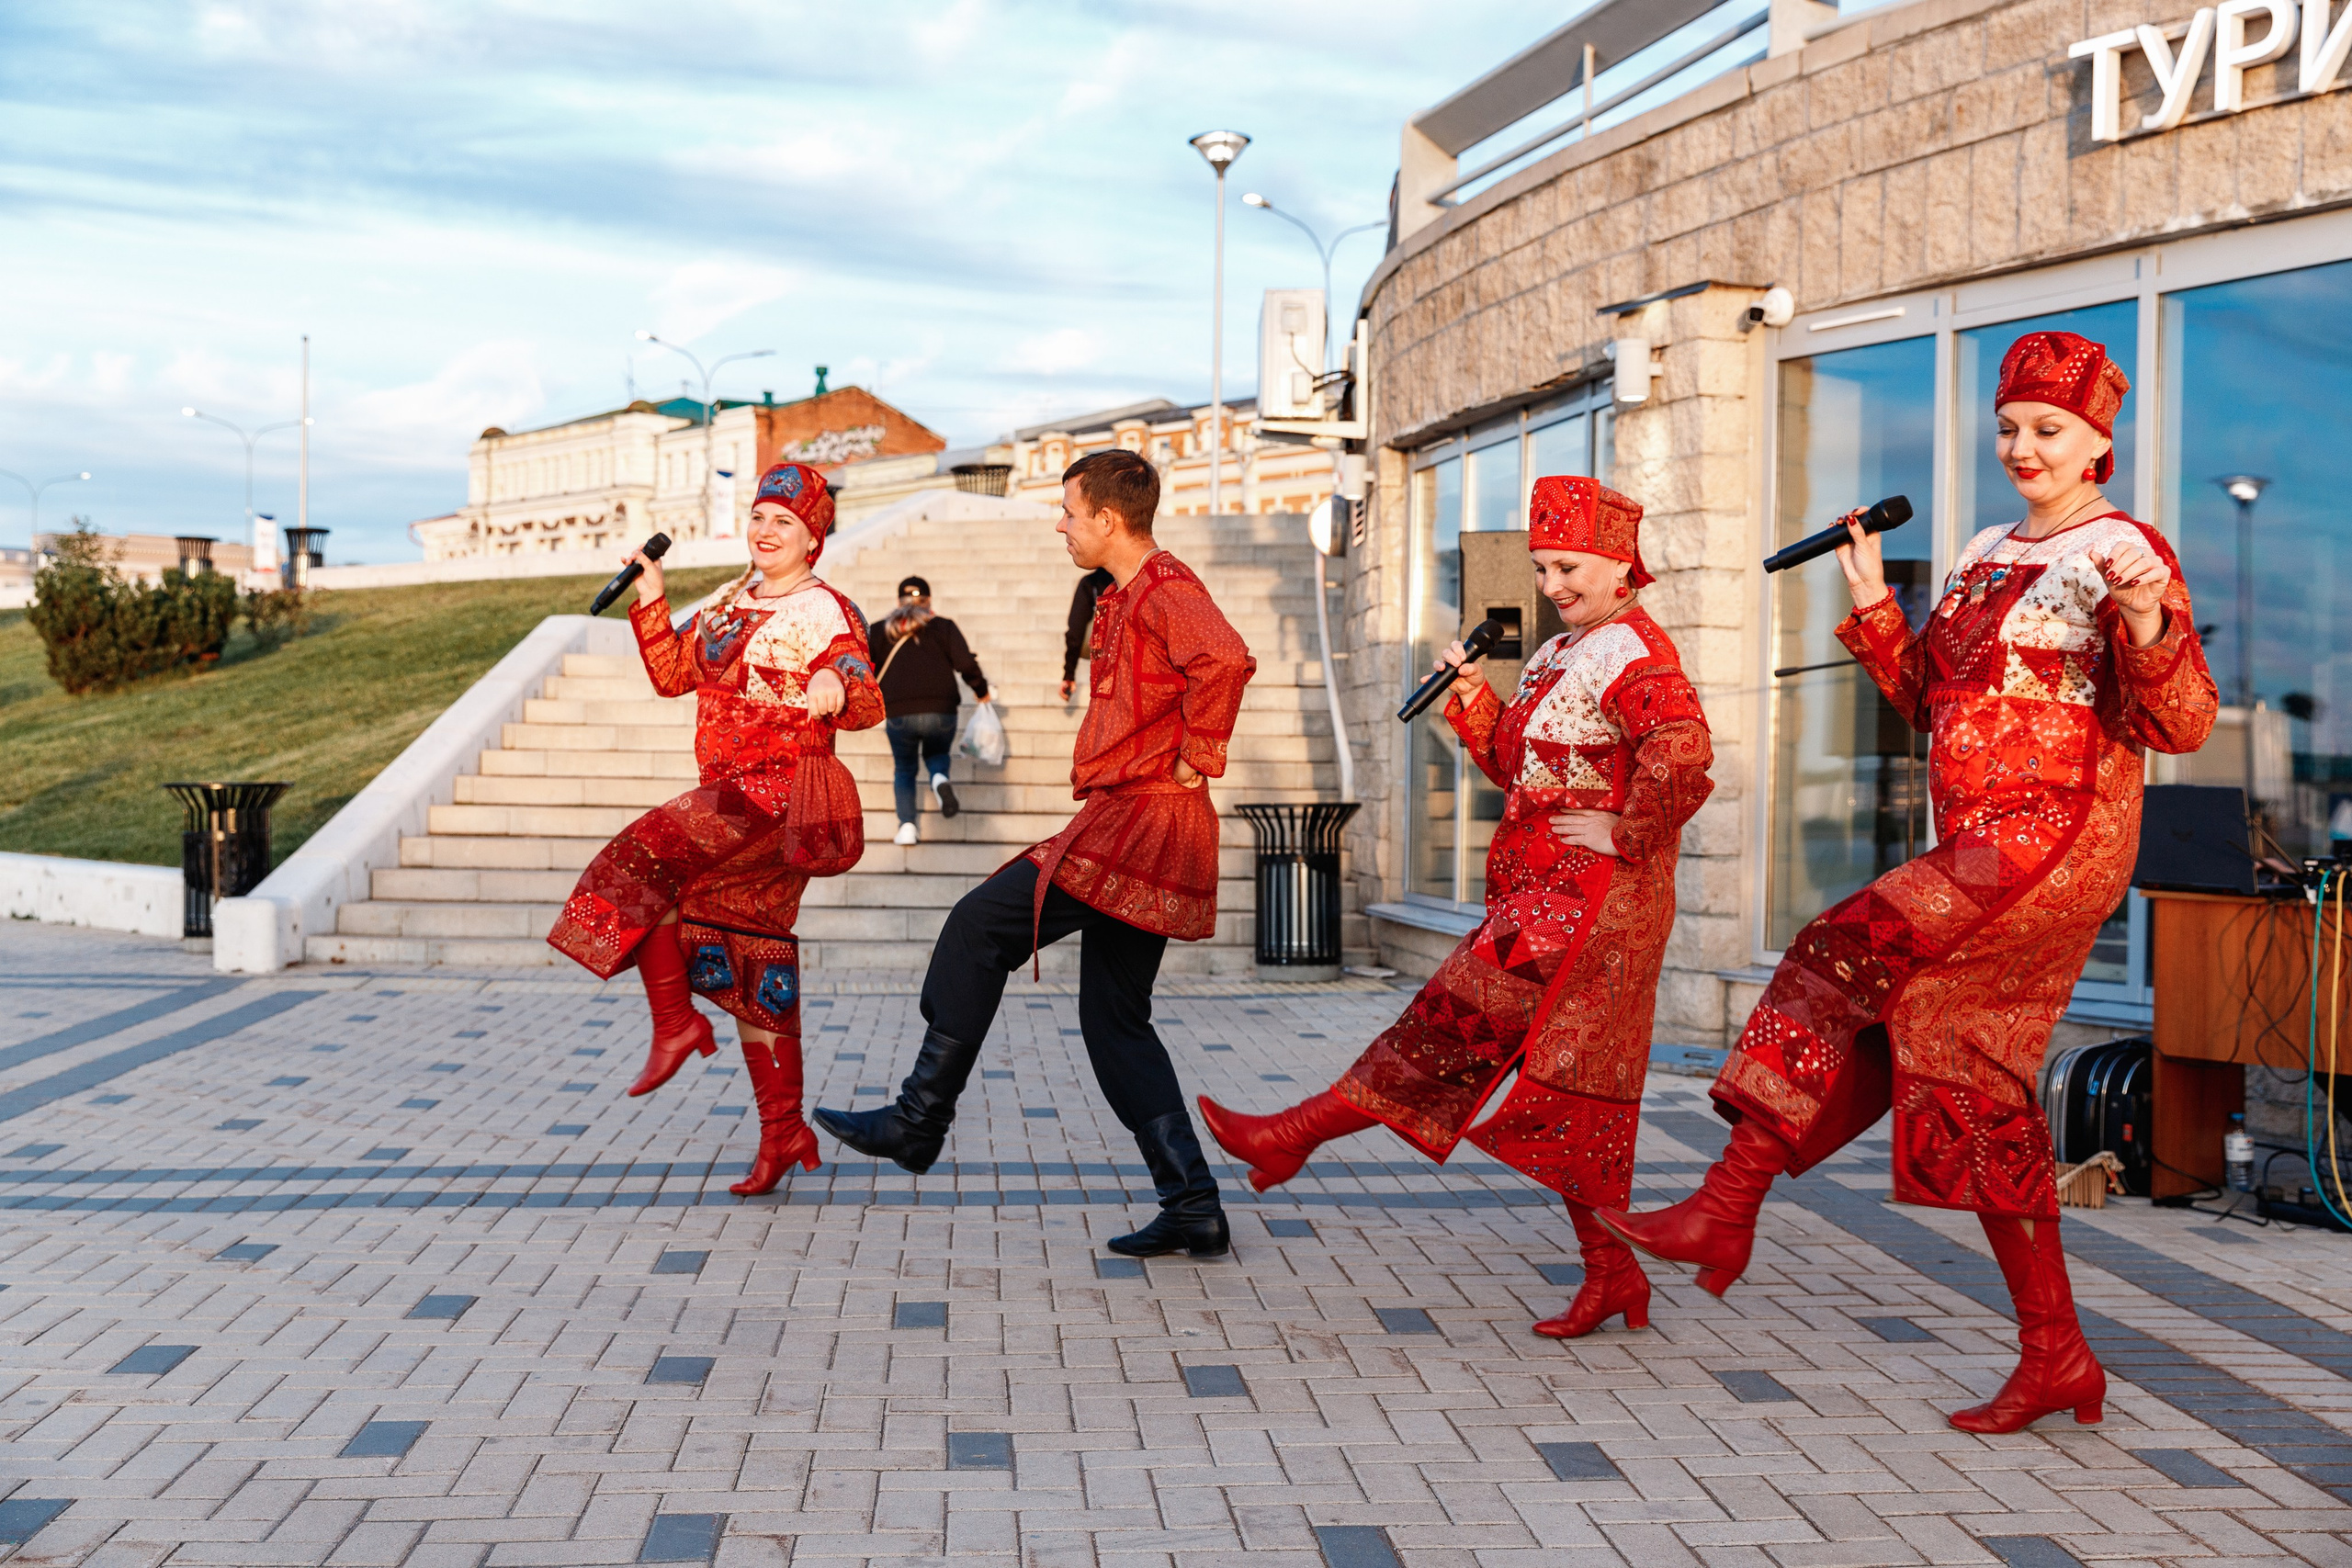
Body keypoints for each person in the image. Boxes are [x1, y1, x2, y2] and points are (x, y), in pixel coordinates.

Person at [1597, 332, 2218, 1432]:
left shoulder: (2123, 548)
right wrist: (1874, 600)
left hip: (2057, 837)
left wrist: (2142, 619)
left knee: (1842, 941)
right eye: (2009, 429)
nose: (2023, 448)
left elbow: (2182, 723)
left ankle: (1727, 1203)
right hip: (1977, 843)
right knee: (1963, 1072)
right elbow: (1931, 705)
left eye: (2048, 431)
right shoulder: (1983, 549)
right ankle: (2056, 1355)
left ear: (2097, 444)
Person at [1199, 478, 1713, 1338]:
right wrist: (1471, 693)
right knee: (1566, 1089)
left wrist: (1627, 829)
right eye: (1542, 567)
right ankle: (1613, 1273)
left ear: (1621, 564)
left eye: (1569, 566)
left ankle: (1292, 1133)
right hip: (1541, 896)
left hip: (1591, 904)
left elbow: (1685, 753)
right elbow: (1517, 765)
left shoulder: (1635, 650)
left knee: (1454, 1022)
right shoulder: (1561, 652)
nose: (1551, 584)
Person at [813, 448, 1257, 1258]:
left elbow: (1225, 658)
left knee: (979, 925)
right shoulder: (1126, 591)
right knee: (1115, 1022)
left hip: (1143, 819)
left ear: (1108, 519)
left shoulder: (1165, 586)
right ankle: (1193, 1202)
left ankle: (918, 1120)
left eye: (1069, 512)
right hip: (1135, 815)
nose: (1061, 525)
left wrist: (1200, 753)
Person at [546, 461, 884, 1196]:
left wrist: (835, 681)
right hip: (726, 796)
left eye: (784, 522)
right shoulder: (730, 602)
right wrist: (653, 597)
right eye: (759, 516)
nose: (767, 530)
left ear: (814, 538)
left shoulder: (826, 608)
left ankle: (674, 1021)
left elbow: (862, 688)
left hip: (779, 794)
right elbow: (673, 674)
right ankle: (783, 1131)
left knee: (639, 858)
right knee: (748, 952)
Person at [867, 575, 990, 846]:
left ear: (898, 600)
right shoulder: (943, 627)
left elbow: (864, 669)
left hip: (899, 711)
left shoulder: (879, 630)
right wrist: (981, 690)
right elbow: (966, 664)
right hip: (941, 709)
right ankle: (939, 778)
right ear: (929, 600)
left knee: (904, 769)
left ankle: (907, 827)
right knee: (937, 753)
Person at [1060, 565, 1114, 702]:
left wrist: (1069, 674)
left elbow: (1075, 633)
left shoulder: (1091, 583)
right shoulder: (1134, 580)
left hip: (1104, 663)